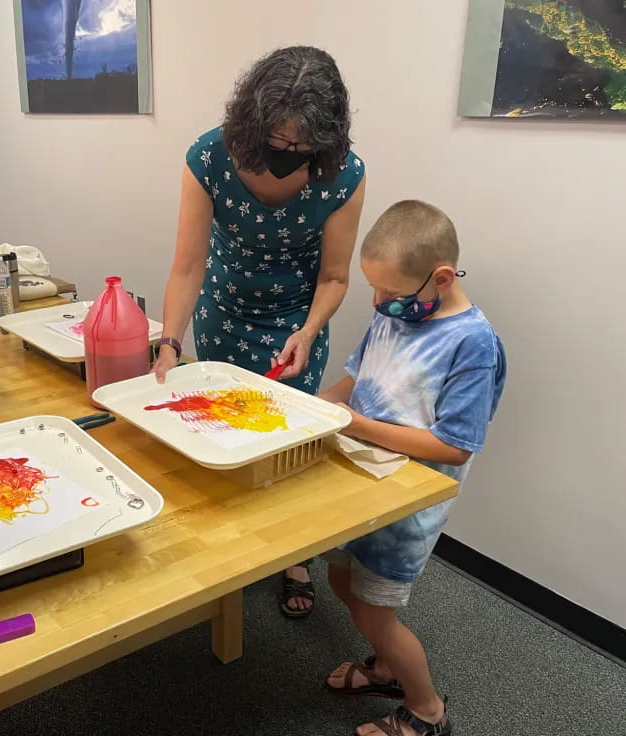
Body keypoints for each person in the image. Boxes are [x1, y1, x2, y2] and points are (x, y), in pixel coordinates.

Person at [154, 46, 366, 617]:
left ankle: (292, 556)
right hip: (223, 311)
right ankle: (234, 547)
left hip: (296, 322)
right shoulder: (210, 155)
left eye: (300, 148)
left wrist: (309, 329)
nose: (287, 156)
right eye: (277, 143)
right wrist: (170, 342)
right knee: (224, 431)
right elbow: (188, 266)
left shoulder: (343, 172)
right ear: (253, 124)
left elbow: (336, 275)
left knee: (284, 442)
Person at [318, 200, 506, 736]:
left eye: (393, 294)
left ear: (442, 277)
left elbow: (455, 446)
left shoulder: (472, 343)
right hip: (356, 480)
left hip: (406, 504)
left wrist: (351, 424)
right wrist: (304, 410)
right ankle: (384, 666)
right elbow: (353, 381)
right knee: (341, 579)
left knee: (375, 610)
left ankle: (426, 710)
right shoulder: (394, 314)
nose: (378, 304)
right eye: (373, 290)